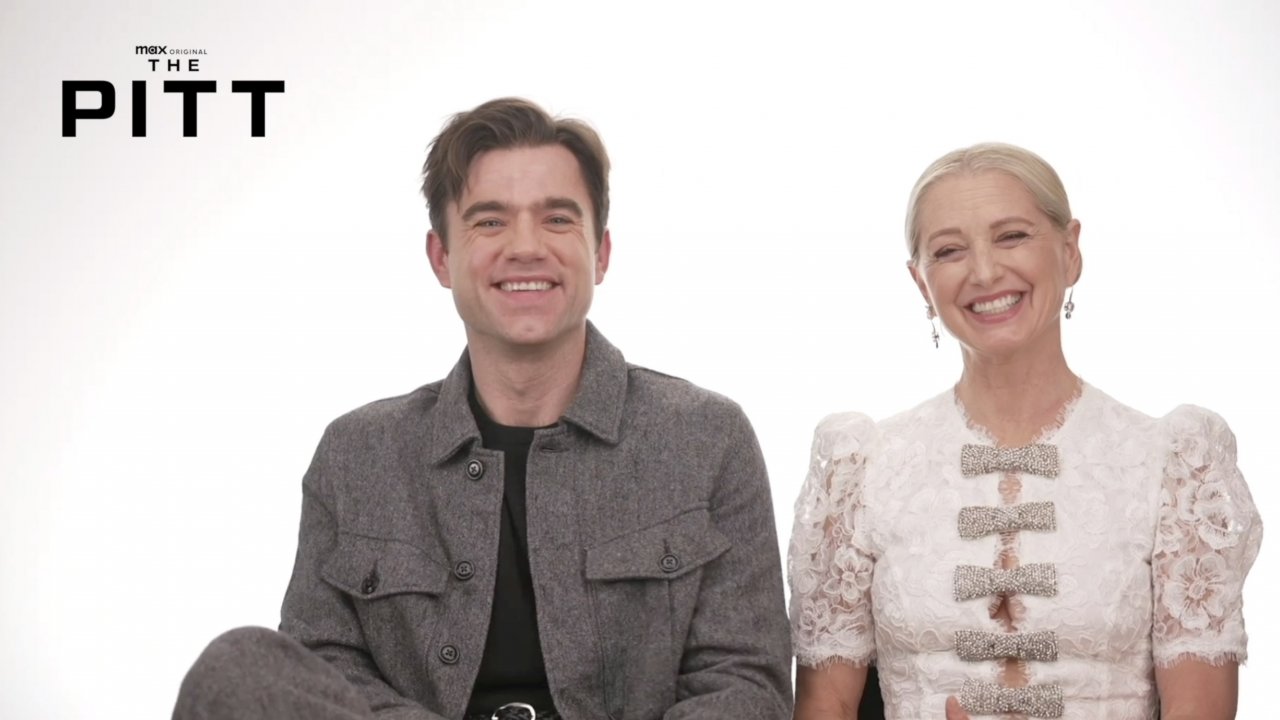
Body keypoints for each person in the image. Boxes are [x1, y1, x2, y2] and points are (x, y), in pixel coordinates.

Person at [173, 97, 793, 720]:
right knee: (238, 666)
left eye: (557, 219)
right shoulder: (355, 454)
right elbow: (325, 668)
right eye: (490, 222)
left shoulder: (706, 438)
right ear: (441, 257)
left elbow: (744, 684)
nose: (525, 247)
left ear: (600, 253)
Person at [788, 142, 1262, 719]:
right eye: (949, 250)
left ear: (1070, 251)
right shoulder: (858, 468)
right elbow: (826, 707)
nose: (985, 271)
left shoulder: (1175, 463)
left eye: (1011, 236)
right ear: (921, 284)